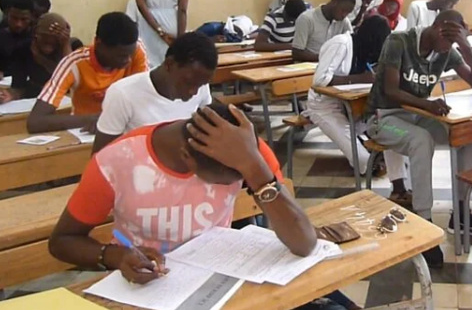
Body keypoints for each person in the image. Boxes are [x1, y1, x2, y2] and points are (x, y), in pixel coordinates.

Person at [49, 103, 359, 310]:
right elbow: (62, 241)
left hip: (221, 285)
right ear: (187, 157)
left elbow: (304, 242)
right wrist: (114, 255)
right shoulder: (117, 161)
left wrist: (256, 169)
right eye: (230, 179)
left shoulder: (245, 150)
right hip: (147, 289)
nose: (239, 183)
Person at [365, 10, 472, 267]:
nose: (447, 46)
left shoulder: (447, 50)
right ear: (436, 27)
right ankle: (424, 222)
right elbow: (390, 90)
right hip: (384, 118)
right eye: (447, 38)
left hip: (416, 114)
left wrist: (466, 48)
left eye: (453, 41)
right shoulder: (399, 42)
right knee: (421, 140)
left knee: (465, 133)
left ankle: (461, 212)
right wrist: (427, 105)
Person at [92, 32, 216, 154]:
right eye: (188, 82)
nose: (194, 92)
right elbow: (100, 158)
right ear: (170, 64)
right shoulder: (122, 94)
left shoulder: (200, 85)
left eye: (201, 85)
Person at [28, 12, 148, 133]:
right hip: (85, 133)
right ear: (99, 44)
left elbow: (143, 99)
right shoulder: (74, 63)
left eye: (130, 55)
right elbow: (35, 121)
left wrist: (109, 119)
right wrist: (95, 119)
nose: (128, 61)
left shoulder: (137, 50)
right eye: (120, 56)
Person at [305, 16, 392, 174]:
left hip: (353, 106)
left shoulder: (363, 49)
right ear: (370, 37)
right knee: (363, 161)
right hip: (324, 107)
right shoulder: (341, 43)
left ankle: (375, 152)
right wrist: (360, 79)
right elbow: (320, 81)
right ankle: (367, 156)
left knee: (390, 129)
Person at [0, 13, 72, 103]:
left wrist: (65, 47)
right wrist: (11, 95)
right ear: (35, 35)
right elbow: (18, 86)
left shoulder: (72, 47)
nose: (48, 44)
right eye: (44, 39)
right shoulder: (24, 48)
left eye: (54, 40)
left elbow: (71, 81)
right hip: (36, 95)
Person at [291, 0, 355, 62]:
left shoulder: (344, 22)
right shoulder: (306, 19)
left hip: (331, 67)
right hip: (307, 68)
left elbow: (351, 46)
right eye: (343, 10)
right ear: (335, 2)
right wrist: (325, 58)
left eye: (348, 13)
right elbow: (297, 53)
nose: (344, 15)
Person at [0, 0, 34, 78]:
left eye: (24, 19)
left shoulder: (38, 39)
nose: (18, 24)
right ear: (7, 14)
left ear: (31, 17)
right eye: (14, 18)